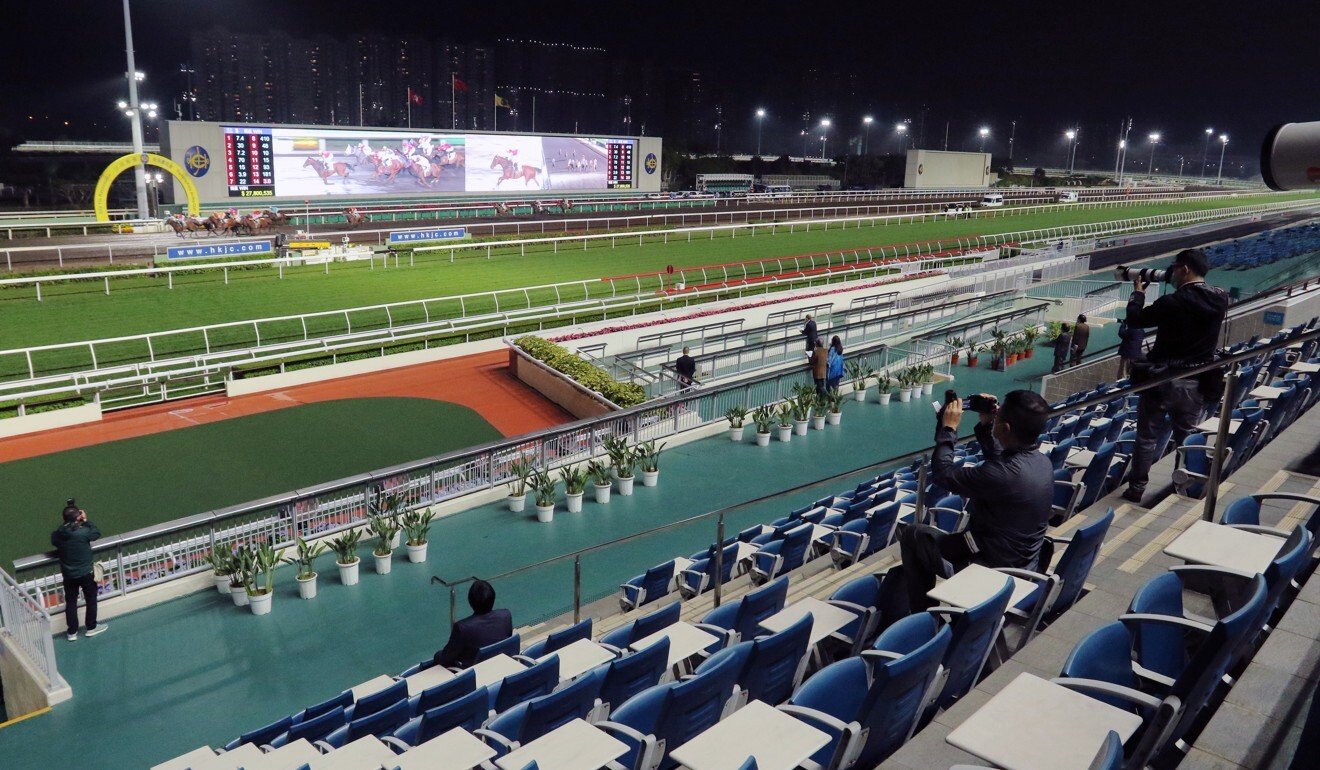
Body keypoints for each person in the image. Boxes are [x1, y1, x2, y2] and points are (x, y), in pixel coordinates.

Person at [897, 390, 1054, 613]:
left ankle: (922, 619)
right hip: (1022, 563)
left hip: (991, 571)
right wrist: (986, 425)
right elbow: (1001, 460)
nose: (996, 416)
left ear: (1006, 428)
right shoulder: (1042, 463)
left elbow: (943, 473)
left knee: (913, 536)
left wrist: (948, 429)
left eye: (998, 417)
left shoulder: (1002, 474)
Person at [1121, 249, 1229, 503]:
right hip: (1196, 379)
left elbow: (1135, 319)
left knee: (1147, 436)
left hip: (1162, 379)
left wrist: (1138, 293)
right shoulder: (1220, 298)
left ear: (1185, 269)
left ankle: (1137, 487)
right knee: (1187, 436)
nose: (1172, 274)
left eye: (1174, 269)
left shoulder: (1173, 302)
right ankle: (1187, 486)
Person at [51, 500, 105, 641]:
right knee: (91, 599)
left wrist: (69, 522)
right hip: (86, 573)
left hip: (69, 575)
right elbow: (96, 533)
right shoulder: (83, 532)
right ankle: (91, 627)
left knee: (71, 603)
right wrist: (86, 521)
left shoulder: (58, 535)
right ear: (78, 517)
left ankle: (72, 632)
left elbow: (56, 536)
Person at [433, 579, 513, 669]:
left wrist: (437, 655)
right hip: (502, 665)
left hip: (476, 673)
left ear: (470, 601)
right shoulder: (506, 615)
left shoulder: (462, 628)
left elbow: (446, 658)